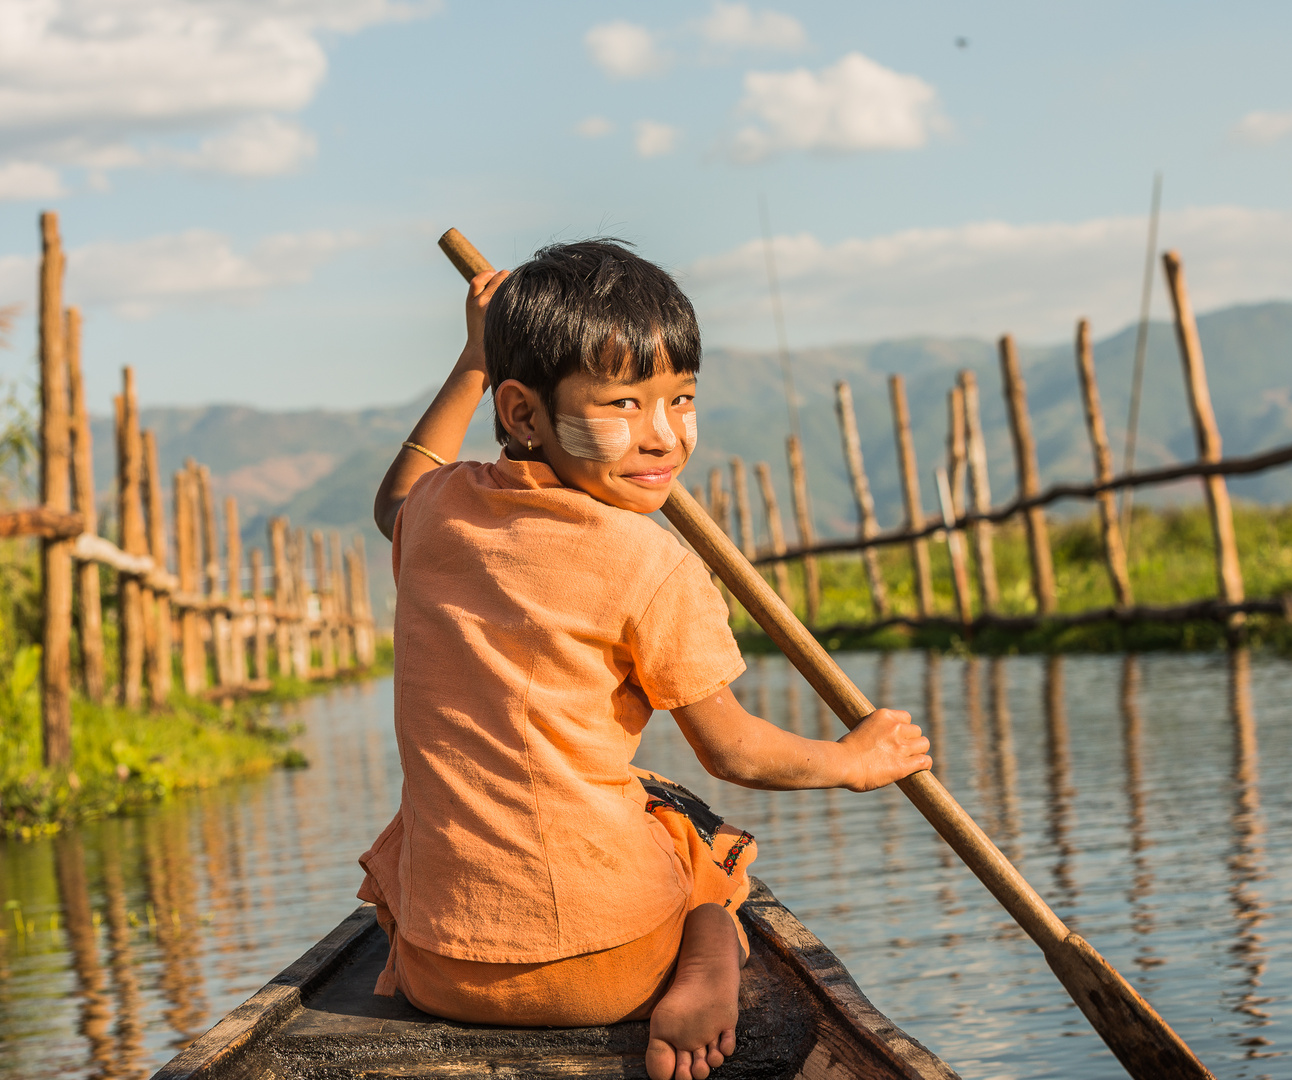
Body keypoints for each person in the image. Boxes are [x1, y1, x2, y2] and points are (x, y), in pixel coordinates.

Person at [359, 239, 930, 1080]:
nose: (663, 436)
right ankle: (706, 961)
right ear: (525, 415)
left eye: (681, 399)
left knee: (432, 835)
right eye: (623, 404)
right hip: (606, 969)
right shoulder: (649, 560)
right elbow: (734, 751)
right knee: (695, 839)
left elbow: (395, 496)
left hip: (440, 967)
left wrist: (474, 359)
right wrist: (852, 760)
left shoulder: (438, 514)